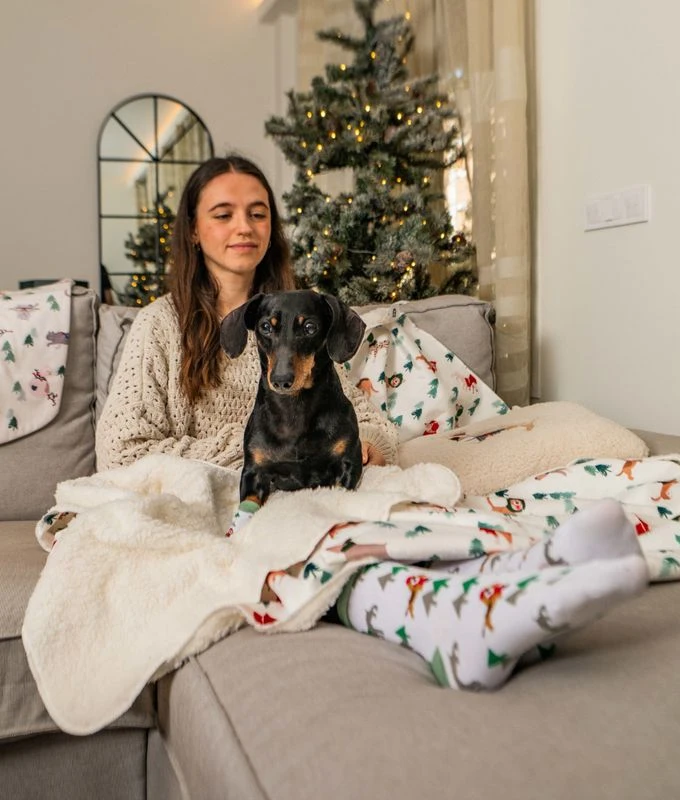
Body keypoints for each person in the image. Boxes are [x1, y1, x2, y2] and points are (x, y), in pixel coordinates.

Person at [96, 154, 648, 691]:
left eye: (258, 212)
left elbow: (364, 417)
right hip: (234, 498)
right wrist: (259, 447)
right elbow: (121, 451)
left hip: (323, 481)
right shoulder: (159, 326)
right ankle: (451, 625)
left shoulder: (305, 317)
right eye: (223, 213)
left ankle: (524, 568)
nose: (244, 226)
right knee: (324, 544)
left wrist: (369, 444)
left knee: (400, 506)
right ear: (194, 231)